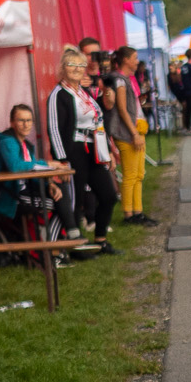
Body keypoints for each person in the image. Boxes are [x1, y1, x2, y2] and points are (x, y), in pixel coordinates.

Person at [46, 46, 118, 255]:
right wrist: (61, 160)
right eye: (72, 64)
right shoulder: (59, 94)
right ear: (63, 68)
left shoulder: (83, 92)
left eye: (81, 65)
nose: (77, 69)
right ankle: (73, 245)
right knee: (75, 200)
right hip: (74, 149)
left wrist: (107, 151)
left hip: (93, 148)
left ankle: (100, 240)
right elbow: (54, 129)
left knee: (108, 195)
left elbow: (98, 121)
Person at [0, 104, 78, 241]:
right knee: (60, 204)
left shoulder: (26, 145)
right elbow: (15, 167)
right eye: (21, 120)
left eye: (29, 120)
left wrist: (49, 184)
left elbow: (32, 173)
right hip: (7, 197)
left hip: (22, 192)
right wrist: (48, 164)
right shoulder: (7, 142)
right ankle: (62, 241)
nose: (26, 125)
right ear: (12, 123)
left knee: (60, 191)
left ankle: (67, 236)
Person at [108, 46, 155, 226]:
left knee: (138, 174)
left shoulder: (126, 79)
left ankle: (138, 212)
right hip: (127, 134)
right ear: (126, 60)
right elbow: (122, 109)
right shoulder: (119, 80)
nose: (137, 61)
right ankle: (129, 214)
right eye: (134, 58)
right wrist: (134, 133)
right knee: (130, 175)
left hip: (135, 131)